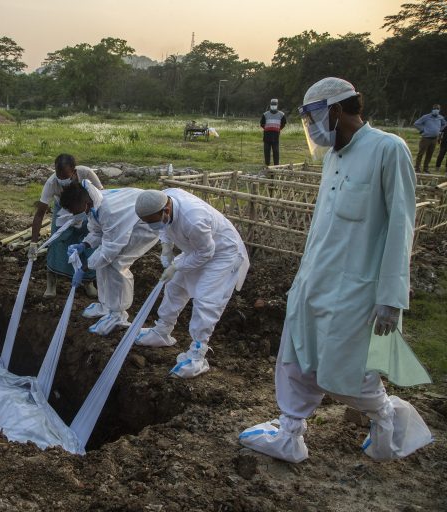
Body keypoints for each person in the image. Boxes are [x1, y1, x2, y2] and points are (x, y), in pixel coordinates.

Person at [239, 77, 432, 463]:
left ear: (335, 111)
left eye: (312, 119)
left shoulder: (387, 149)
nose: (311, 128)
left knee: (344, 371)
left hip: (354, 289)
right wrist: (301, 280)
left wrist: (391, 297)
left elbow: (401, 226)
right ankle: (290, 433)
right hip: (314, 279)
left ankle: (387, 417)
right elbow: (323, 226)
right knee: (293, 356)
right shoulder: (333, 157)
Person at [133, 189, 249, 379]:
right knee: (175, 286)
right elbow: (164, 228)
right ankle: (163, 330)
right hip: (196, 249)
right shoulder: (161, 199)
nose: (153, 225)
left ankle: (198, 353)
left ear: (167, 209)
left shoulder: (194, 219)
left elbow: (206, 253)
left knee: (206, 300)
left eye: (153, 221)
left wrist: (176, 266)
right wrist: (166, 247)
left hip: (223, 253)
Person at [60, 184, 159, 335]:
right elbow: (98, 230)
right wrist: (83, 244)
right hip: (122, 225)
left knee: (117, 263)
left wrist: (83, 268)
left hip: (144, 225)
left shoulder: (109, 210)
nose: (74, 214)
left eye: (74, 211)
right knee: (102, 263)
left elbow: (109, 250)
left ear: (82, 204)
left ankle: (118, 314)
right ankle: (106, 304)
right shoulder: (93, 202)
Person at [27, 154, 101, 298]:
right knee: (57, 243)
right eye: (58, 176)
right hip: (63, 212)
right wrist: (33, 243)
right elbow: (39, 213)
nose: (62, 180)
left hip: (85, 210)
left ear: (74, 171)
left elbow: (101, 196)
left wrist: (91, 216)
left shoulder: (86, 173)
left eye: (65, 176)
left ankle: (88, 282)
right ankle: (51, 283)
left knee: (89, 245)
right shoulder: (51, 183)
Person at [413, 103, 446, 173]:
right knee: (421, 153)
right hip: (426, 138)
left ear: (439, 110)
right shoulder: (426, 117)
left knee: (430, 154)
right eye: (435, 109)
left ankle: (426, 168)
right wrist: (422, 130)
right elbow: (416, 123)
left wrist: (440, 129)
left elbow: (445, 124)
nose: (436, 110)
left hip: (434, 139)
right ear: (432, 109)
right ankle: (417, 168)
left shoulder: (440, 118)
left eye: (437, 109)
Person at [260, 98, 287, 166]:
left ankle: (276, 166)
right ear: (270, 105)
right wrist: (268, 128)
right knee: (266, 151)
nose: (273, 106)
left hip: (276, 136)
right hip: (267, 136)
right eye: (272, 105)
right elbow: (262, 124)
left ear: (277, 105)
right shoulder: (265, 114)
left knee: (276, 151)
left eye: (274, 105)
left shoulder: (281, 114)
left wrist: (278, 129)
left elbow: (284, 123)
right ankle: (267, 165)